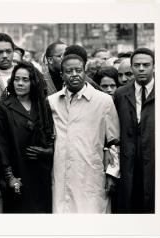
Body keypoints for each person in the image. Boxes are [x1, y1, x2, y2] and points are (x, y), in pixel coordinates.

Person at [48, 54, 120, 213]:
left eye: (78, 70)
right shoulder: (52, 102)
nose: (74, 74)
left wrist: (112, 173)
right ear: (62, 75)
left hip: (91, 174)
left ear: (84, 72)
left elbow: (114, 141)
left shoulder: (103, 101)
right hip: (61, 174)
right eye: (69, 71)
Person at [0, 61, 54, 213]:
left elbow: (52, 136)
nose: (19, 83)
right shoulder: (4, 108)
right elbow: (1, 145)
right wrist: (10, 177)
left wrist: (48, 152)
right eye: (16, 79)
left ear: (33, 82)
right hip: (18, 174)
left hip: (42, 173)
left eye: (25, 80)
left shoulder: (42, 105)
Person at [114, 48, 155, 213]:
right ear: (131, 67)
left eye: (146, 64)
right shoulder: (120, 94)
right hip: (129, 163)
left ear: (154, 66)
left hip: (155, 162)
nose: (141, 69)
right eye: (137, 65)